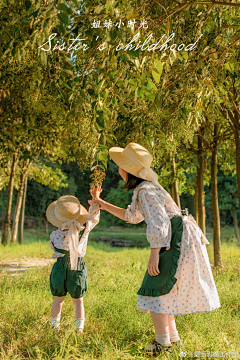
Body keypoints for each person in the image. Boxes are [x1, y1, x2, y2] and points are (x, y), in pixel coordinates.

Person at [90, 142, 221, 356]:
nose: (118, 169)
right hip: (178, 239)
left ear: (129, 170)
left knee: (155, 292)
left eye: (121, 165)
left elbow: (159, 224)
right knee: (162, 291)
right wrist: (100, 202)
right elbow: (132, 216)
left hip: (175, 241)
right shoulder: (146, 189)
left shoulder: (146, 191)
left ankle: (162, 344)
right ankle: (173, 340)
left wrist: (154, 255)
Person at [46, 194, 100, 333]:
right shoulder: (83, 231)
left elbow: (53, 248)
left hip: (59, 268)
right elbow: (93, 218)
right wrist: (95, 200)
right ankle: (79, 329)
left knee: (58, 300)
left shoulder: (54, 235)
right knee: (78, 301)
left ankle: (55, 327)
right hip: (77, 267)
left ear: (57, 220)